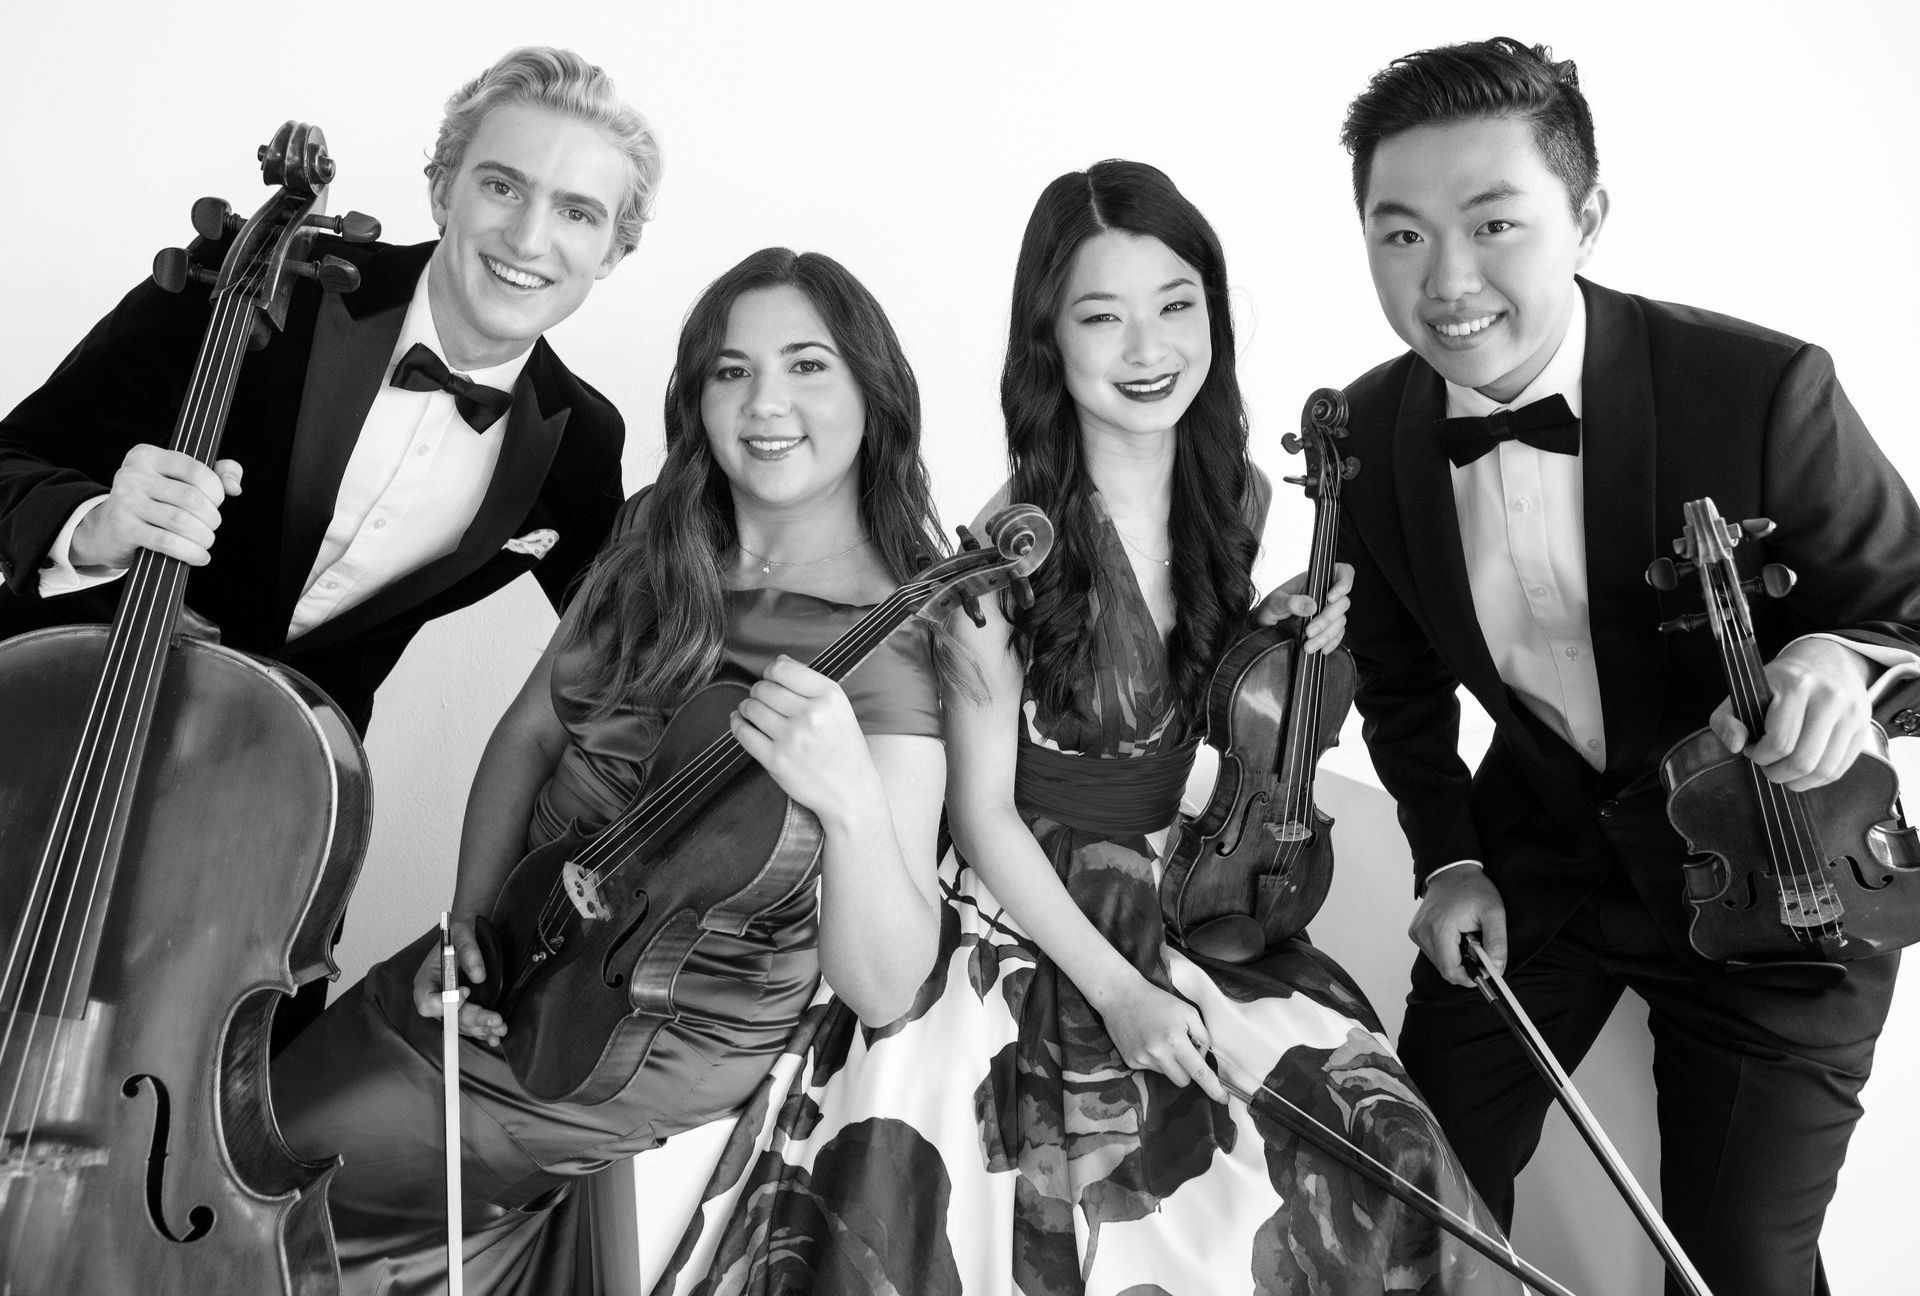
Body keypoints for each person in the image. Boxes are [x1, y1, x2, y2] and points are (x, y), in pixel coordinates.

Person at [653, 160, 1517, 1296]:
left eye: (1175, 307)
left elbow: (1193, 724)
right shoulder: (1002, 551)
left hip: (1196, 900)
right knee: (1119, 1224)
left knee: (1389, 1158)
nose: (1146, 346)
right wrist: (1119, 990)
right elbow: (984, 812)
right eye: (1101, 317)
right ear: (1047, 343)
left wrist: (1280, 643)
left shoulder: (1239, 498)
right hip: (1035, 909)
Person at [1332, 37, 1920, 1296]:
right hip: (1543, 871)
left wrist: (1837, 654)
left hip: (1783, 883)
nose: (1448, 281)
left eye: (1494, 223)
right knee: (1404, 1205)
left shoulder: (1757, 389)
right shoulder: (1375, 431)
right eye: (1401, 235)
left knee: (1741, 1270)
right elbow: (1395, 681)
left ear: (1586, 217)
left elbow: (1911, 609)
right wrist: (1448, 856)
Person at [270, 246, 949, 1296]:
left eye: (808, 366)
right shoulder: (656, 535)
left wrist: (851, 799)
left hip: (660, 1022)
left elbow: (886, 980)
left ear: (874, 390)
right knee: (270, 1106)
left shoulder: (895, 637)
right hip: (530, 937)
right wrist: (469, 923)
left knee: (287, 1166)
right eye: (731, 371)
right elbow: (532, 733)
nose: (766, 402)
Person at [0, 44, 655, 741]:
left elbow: (634, 649)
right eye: (503, 187)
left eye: (577, 214)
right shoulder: (249, 286)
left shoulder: (580, 440)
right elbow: (12, 458)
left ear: (613, 251)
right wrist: (93, 529)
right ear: (442, 190)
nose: (528, 239)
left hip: (287, 793)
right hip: (51, 714)